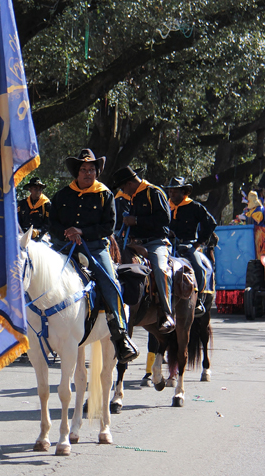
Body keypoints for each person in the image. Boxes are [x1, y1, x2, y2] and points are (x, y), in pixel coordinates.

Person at [49, 150, 139, 362]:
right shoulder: (62, 195)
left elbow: (109, 226)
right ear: (76, 172)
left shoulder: (105, 194)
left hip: (95, 247)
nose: (88, 173)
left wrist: (81, 232)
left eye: (91, 170)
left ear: (96, 173)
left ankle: (120, 334)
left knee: (110, 282)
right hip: (63, 246)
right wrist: (67, 232)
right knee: (39, 273)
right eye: (83, 169)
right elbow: (51, 222)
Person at [110, 166, 174, 333]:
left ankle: (166, 313)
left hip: (156, 243)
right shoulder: (134, 196)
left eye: (124, 188)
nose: (124, 191)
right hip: (134, 243)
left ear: (130, 183)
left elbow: (164, 219)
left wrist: (136, 220)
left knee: (160, 269)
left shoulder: (154, 192)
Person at [164, 177, 217, 316]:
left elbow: (211, 224)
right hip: (167, 245)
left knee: (198, 268)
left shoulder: (194, 207)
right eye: (170, 191)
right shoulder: (165, 206)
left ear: (183, 192)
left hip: (187, 245)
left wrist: (199, 243)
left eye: (175, 191)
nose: (171, 194)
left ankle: (198, 300)